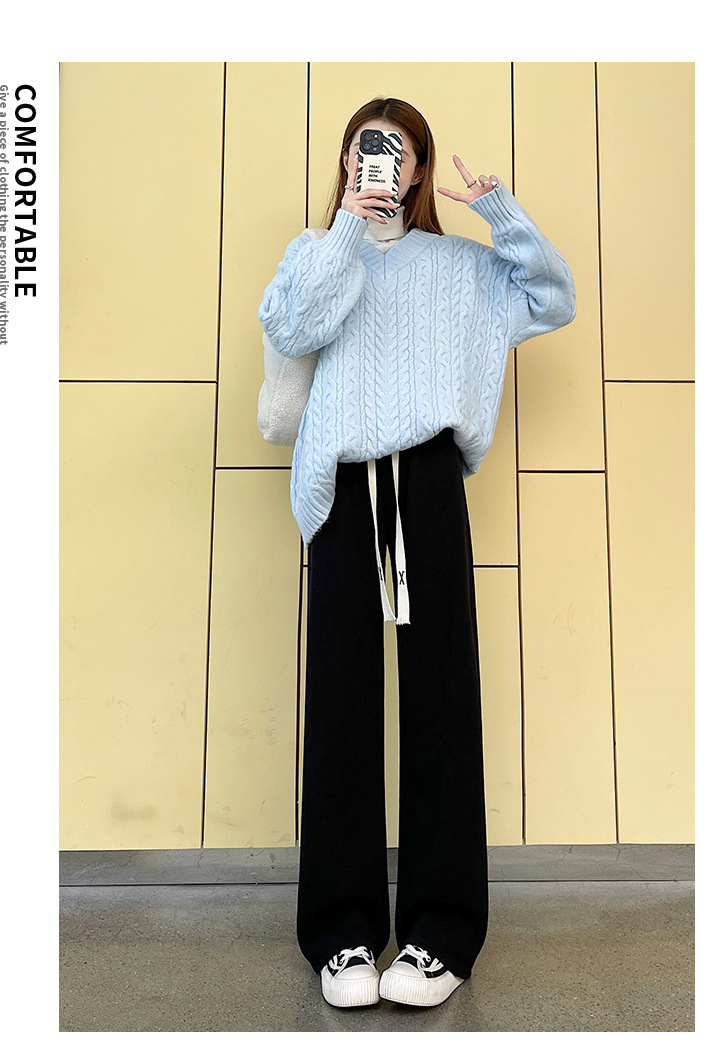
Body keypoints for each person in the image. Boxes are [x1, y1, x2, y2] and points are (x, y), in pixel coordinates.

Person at [257, 97, 575, 1010]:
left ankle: (440, 935)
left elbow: (552, 299)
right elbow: (293, 330)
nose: (381, 166)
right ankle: (343, 934)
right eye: (367, 150)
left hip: (428, 483)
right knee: (341, 704)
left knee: (441, 700)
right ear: (347, 162)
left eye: (397, 153)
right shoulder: (315, 253)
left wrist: (500, 211)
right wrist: (345, 235)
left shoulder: (460, 267)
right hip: (343, 487)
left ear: (420, 168)